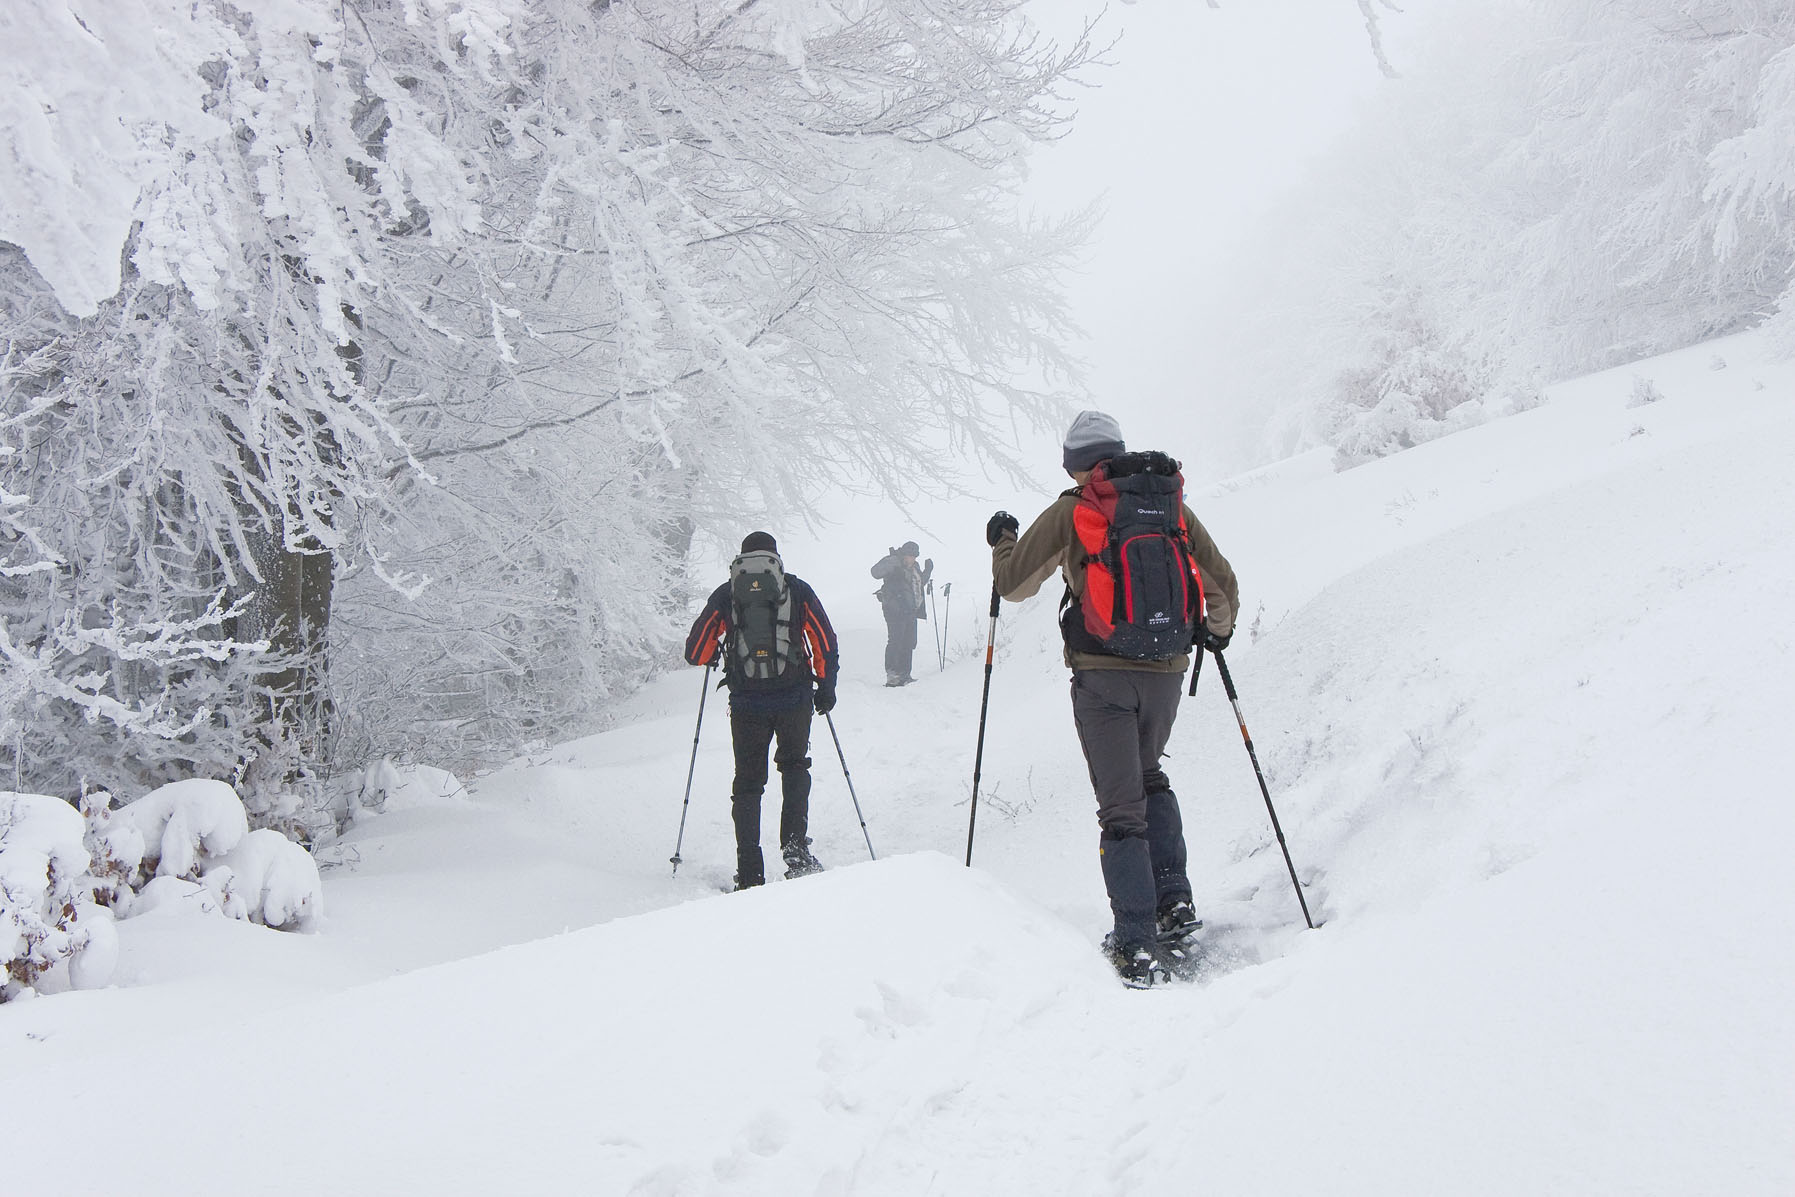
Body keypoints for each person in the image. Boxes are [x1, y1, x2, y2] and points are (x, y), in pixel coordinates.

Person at [986, 411, 1239, 987]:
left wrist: (1003, 540)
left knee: (1120, 807)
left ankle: (1134, 943)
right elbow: (1222, 582)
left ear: (1075, 464)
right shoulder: (1168, 502)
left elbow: (1016, 584)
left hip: (1102, 675)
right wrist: (1215, 633)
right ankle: (1174, 904)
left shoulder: (1074, 508)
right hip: (1168, 669)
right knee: (1150, 777)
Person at [684, 531, 840, 889]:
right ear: (775, 558)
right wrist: (826, 686)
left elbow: (695, 651)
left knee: (749, 783)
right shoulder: (796, 589)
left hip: (746, 704)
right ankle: (796, 854)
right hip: (794, 698)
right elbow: (825, 641)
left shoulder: (728, 594)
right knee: (795, 768)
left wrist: (715, 655)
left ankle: (751, 871)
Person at [870, 540, 933, 686]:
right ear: (904, 553)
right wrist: (893, 567)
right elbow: (875, 572)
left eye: (914, 556)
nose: (912, 558)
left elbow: (918, 584)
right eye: (910, 555)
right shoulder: (893, 561)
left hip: (910, 609)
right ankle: (892, 675)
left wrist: (928, 571)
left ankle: (905, 674)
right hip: (894, 609)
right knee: (896, 641)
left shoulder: (914, 566)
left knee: (909, 642)